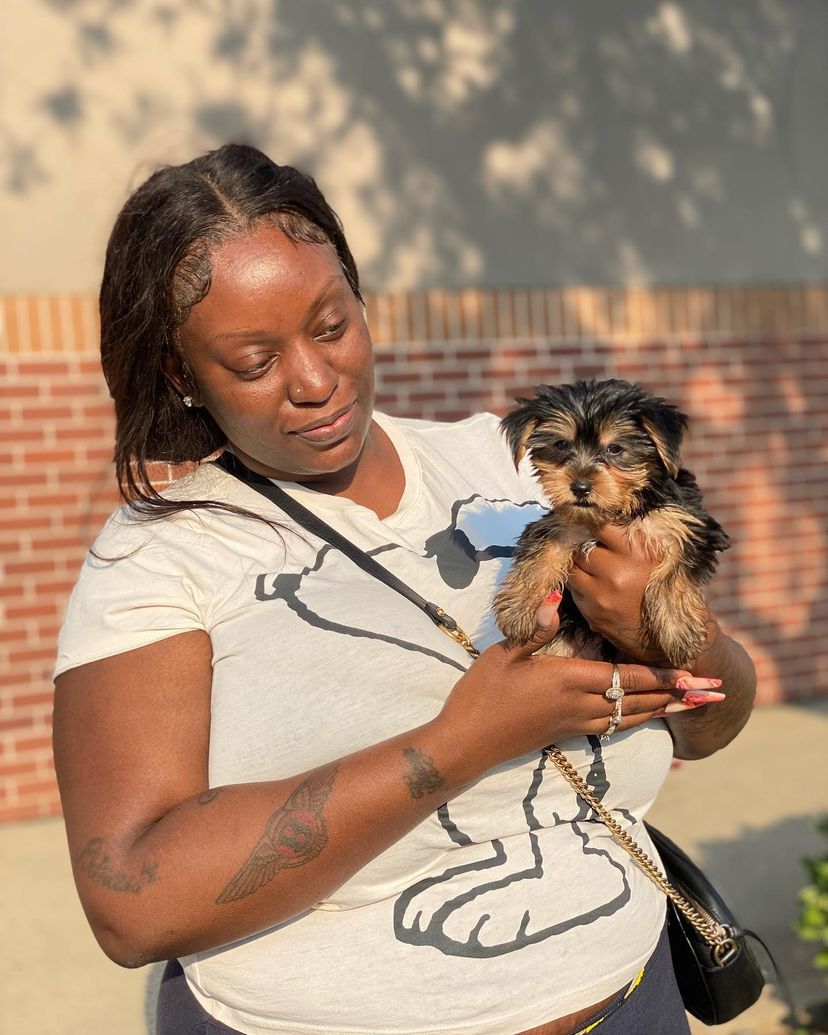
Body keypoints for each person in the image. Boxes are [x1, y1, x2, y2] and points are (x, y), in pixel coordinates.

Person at [53, 144, 756, 1035]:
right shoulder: (159, 557)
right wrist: (462, 741)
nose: (315, 380)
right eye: (254, 360)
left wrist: (676, 640)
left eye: (330, 323)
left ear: (359, 298)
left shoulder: (512, 465)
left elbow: (717, 716)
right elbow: (131, 903)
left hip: (632, 1001)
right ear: (182, 377)